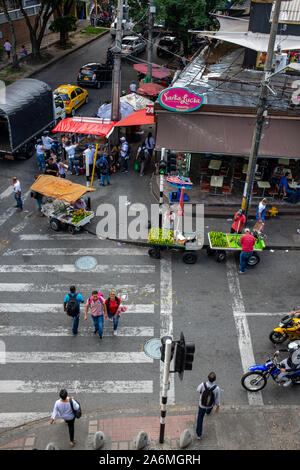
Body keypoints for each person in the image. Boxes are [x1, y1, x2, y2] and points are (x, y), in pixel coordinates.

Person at [196, 372, 220, 440]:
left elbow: (198, 390)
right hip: (210, 405)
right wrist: (217, 407)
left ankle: (199, 434)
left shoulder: (202, 384)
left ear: (207, 377)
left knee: (200, 418)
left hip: (202, 405)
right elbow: (217, 399)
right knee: (209, 408)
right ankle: (208, 412)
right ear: (215, 379)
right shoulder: (217, 388)